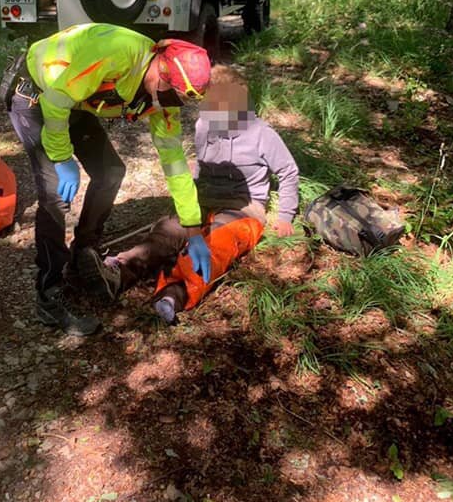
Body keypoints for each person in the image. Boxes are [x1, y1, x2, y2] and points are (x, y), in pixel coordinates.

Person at [7, 23, 213, 336]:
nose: (169, 98)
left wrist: (193, 229)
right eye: (169, 87)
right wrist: (62, 158)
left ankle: (84, 253)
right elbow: (55, 99)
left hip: (73, 100)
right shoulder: (115, 54)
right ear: (159, 63)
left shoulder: (162, 99)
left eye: (179, 97)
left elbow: (175, 165)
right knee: (53, 193)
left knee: (110, 172)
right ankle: (49, 295)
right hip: (37, 94)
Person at [84, 63, 299, 323]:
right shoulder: (204, 125)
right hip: (204, 199)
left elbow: (288, 172)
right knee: (167, 232)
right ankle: (119, 271)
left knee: (218, 243)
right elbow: (200, 167)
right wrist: (189, 203)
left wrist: (285, 216)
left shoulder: (262, 135)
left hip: (243, 208)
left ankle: (175, 294)